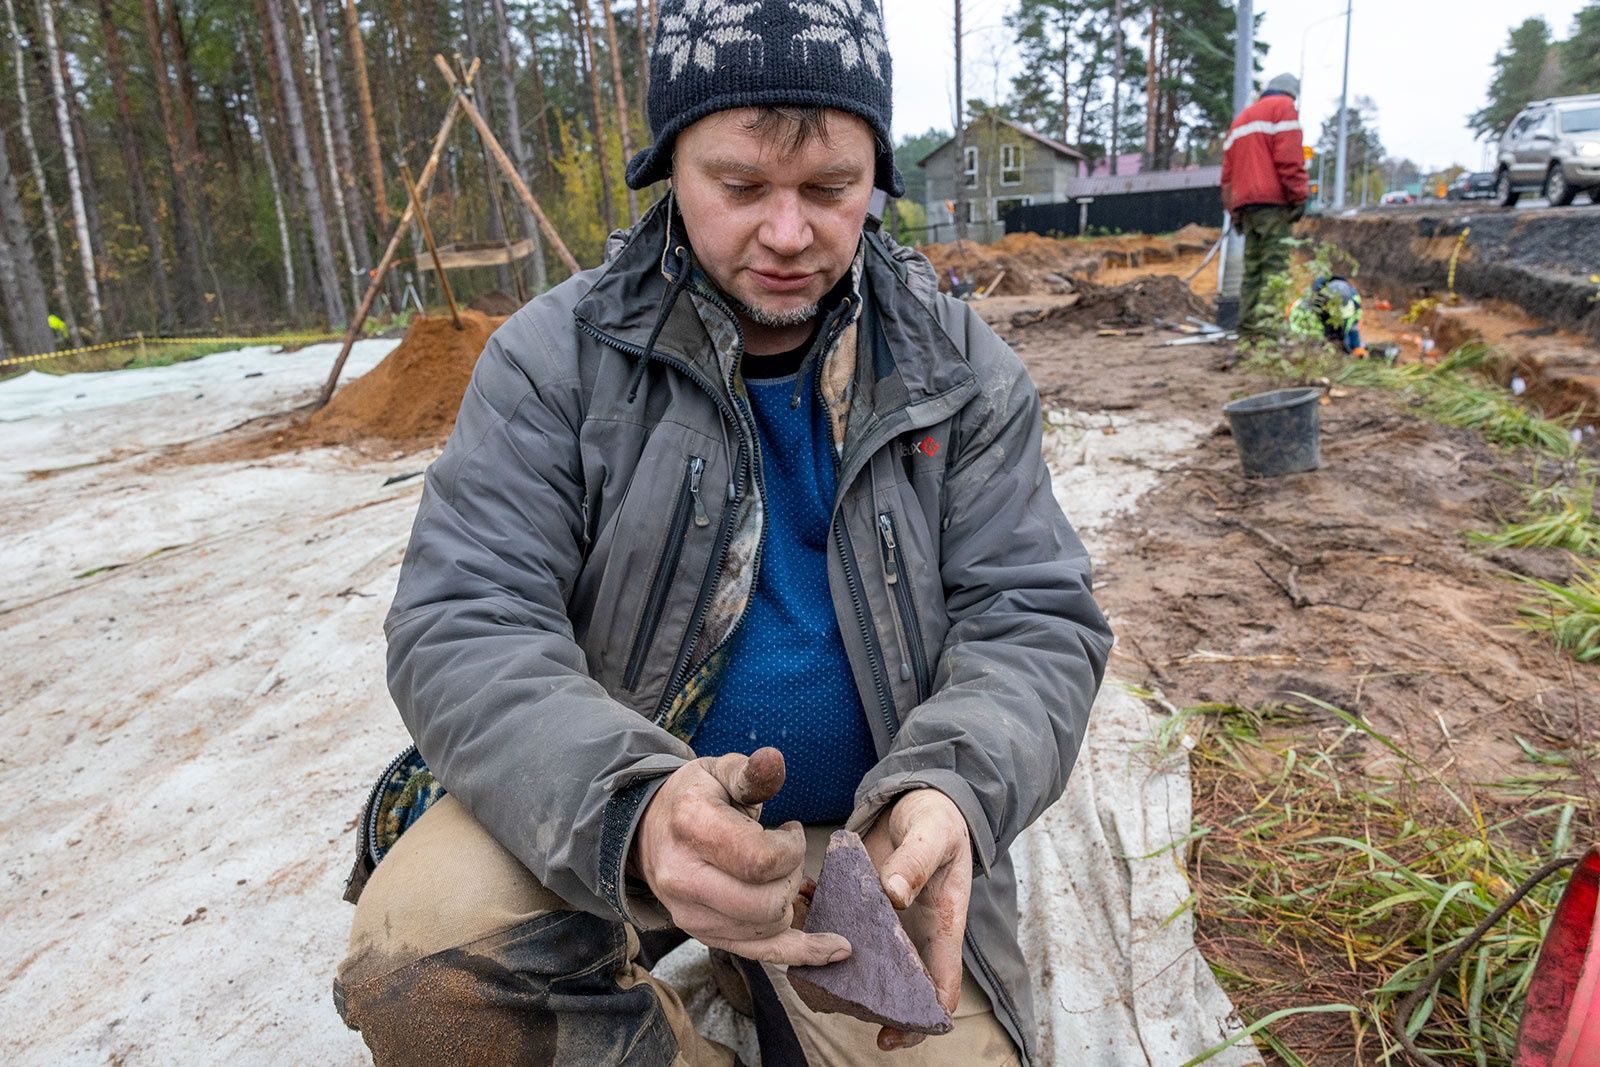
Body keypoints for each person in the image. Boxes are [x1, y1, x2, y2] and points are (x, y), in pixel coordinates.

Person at [332, 0, 1113, 1062]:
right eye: (740, 186)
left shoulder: (958, 368)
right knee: (420, 968)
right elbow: (465, 620)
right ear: (669, 167)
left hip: (871, 845)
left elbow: (1033, 615)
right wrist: (639, 808)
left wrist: (953, 787)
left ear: (877, 175)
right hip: (615, 813)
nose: (787, 234)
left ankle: (775, 975)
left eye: (830, 189)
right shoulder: (551, 362)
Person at [1221, 73, 1310, 343]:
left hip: (1246, 206)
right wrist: (1299, 196)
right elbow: (1289, 159)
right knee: (1274, 267)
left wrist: (1234, 211)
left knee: (1253, 270)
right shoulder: (1282, 109)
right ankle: (1269, 332)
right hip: (1272, 204)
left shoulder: (1241, 120)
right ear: (1291, 94)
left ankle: (1248, 329)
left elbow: (1227, 176)